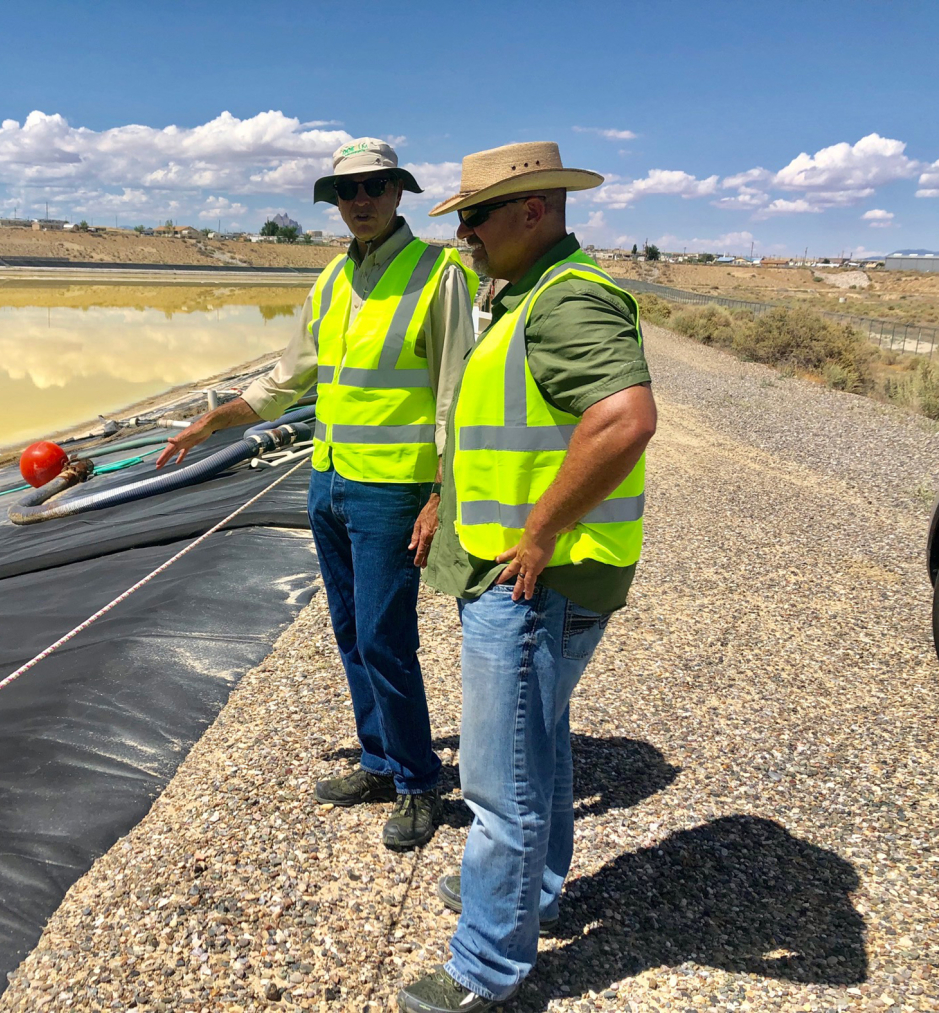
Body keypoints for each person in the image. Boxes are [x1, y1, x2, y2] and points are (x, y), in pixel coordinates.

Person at [156, 138, 478, 850]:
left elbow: (458, 396)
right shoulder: (334, 279)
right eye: (345, 192)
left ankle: (419, 781)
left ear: (399, 192)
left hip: (392, 490)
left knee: (384, 637)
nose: (359, 203)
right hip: (329, 481)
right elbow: (287, 378)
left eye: (373, 188)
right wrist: (214, 419)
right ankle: (378, 759)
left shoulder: (438, 274)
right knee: (346, 630)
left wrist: (440, 498)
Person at [395, 141, 657, 1012]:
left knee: (496, 782)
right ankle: (524, 899)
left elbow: (623, 420)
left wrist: (540, 530)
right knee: (536, 751)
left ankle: (485, 966)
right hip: (536, 575)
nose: (462, 232)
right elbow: (495, 428)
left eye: (473, 215)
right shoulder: (520, 299)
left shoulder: (565, 302)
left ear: (533, 212)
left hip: (536, 583)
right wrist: (444, 497)